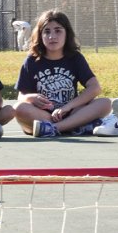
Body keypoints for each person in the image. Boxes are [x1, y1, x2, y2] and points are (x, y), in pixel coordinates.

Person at [13, 10, 111, 138]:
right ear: (40, 35)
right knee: (19, 108)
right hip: (43, 115)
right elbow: (21, 96)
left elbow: (95, 88)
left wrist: (67, 107)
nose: (52, 36)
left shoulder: (75, 58)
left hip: (71, 113)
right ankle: (75, 126)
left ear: (67, 34)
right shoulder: (32, 60)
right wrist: (31, 98)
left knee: (105, 103)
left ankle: (54, 128)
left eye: (58, 31)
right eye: (47, 31)